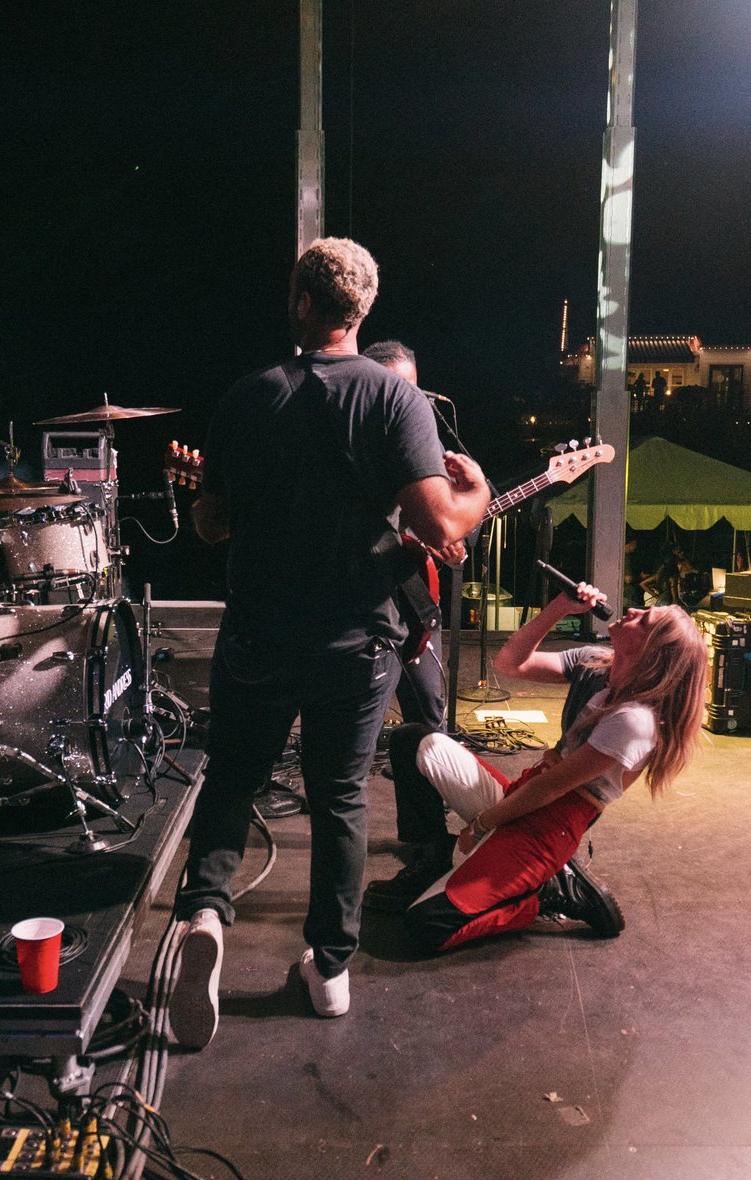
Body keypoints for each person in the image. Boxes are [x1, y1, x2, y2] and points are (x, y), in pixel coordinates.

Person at [168, 238, 491, 1048]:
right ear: (362, 310)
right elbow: (440, 524)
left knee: (233, 778)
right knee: (341, 797)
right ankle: (330, 969)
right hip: (356, 641)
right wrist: (478, 496)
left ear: (302, 303)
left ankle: (206, 910)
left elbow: (211, 524)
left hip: (258, 634)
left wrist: (233, 504)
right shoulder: (395, 402)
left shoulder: (247, 397)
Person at [380, 583, 707, 952]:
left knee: (423, 925)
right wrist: (558, 608)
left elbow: (552, 790)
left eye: (644, 620)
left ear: (652, 652)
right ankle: (432, 854)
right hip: (524, 797)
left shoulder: (636, 721)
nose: (632, 611)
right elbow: (510, 663)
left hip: (546, 831)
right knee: (412, 740)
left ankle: (549, 892)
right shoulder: (599, 664)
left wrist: (483, 823)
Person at [360, 339, 453, 734]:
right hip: (367, 612)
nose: (410, 400)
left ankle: (427, 787)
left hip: (413, 602)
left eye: (414, 389)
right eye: (400, 389)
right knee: (355, 731)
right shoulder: (353, 442)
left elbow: (448, 516)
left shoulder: (418, 442)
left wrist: (458, 543)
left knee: (431, 717)